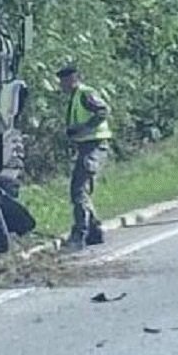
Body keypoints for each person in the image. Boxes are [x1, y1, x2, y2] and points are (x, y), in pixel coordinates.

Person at [57, 64, 111, 250]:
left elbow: (102, 111)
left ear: (73, 79)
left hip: (94, 147)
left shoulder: (84, 94)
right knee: (82, 191)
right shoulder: (76, 97)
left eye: (64, 81)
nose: (61, 85)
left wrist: (83, 129)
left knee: (78, 190)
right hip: (86, 146)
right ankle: (95, 231)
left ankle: (79, 235)